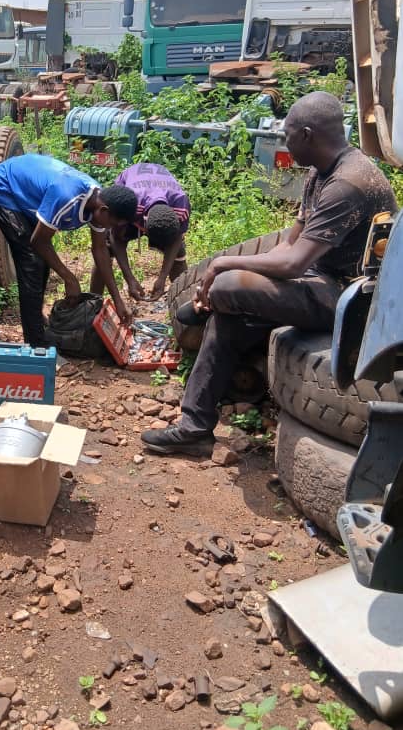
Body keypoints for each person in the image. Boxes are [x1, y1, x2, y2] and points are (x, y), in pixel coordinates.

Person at [142, 91, 397, 457]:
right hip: (318, 281)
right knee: (229, 308)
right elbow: (287, 247)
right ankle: (194, 428)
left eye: (288, 134)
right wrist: (240, 281)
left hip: (349, 298)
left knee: (228, 285)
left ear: (307, 134)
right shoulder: (321, 173)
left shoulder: (348, 184)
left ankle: (203, 312)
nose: (285, 140)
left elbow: (293, 264)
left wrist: (223, 266)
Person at [0, 153, 138, 346]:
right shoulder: (68, 198)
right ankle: (36, 345)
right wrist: (69, 278)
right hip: (5, 186)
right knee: (31, 262)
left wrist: (118, 300)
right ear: (104, 211)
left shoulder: (100, 204)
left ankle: (36, 324)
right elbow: (38, 242)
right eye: (113, 224)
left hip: (31, 194)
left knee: (42, 263)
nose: (111, 229)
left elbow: (100, 250)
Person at [90, 162, 190, 302]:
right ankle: (94, 303)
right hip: (134, 192)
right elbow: (116, 239)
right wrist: (129, 279)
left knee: (178, 253)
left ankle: (183, 305)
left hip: (157, 195)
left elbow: (177, 238)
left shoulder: (182, 206)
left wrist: (162, 278)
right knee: (106, 248)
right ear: (143, 225)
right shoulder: (132, 205)